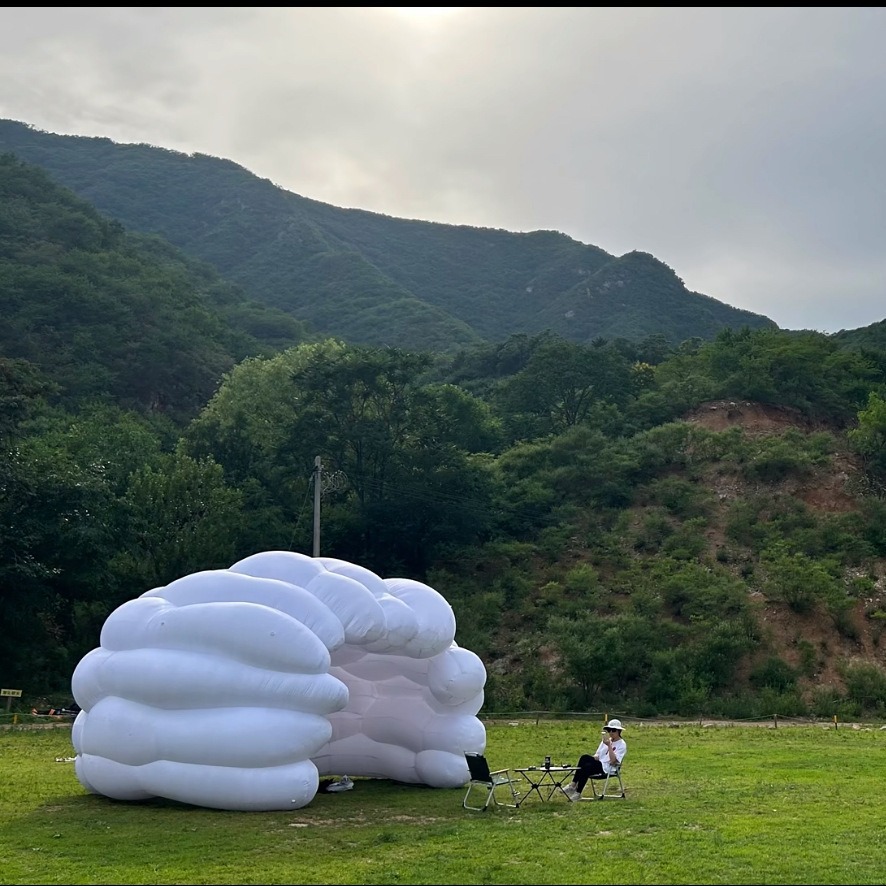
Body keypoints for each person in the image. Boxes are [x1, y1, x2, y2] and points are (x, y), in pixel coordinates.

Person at [563, 718, 627, 802]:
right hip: (599, 763)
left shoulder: (622, 744)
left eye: (613, 730)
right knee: (584, 758)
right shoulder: (605, 741)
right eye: (609, 730)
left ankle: (577, 792)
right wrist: (596, 756)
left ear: (619, 731)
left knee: (587, 767)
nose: (611, 732)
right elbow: (597, 753)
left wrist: (609, 746)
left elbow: (613, 761)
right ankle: (573, 784)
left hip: (608, 767)